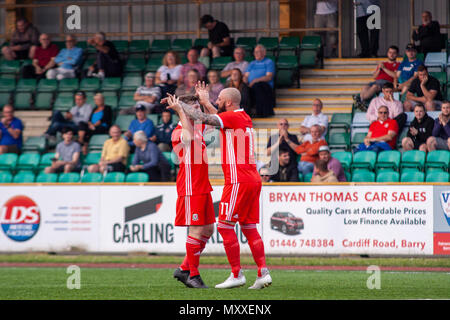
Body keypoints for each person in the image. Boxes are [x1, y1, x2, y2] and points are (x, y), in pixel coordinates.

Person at [177, 84, 272, 290]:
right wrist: (206, 102)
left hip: (238, 180)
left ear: (229, 102)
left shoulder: (231, 117)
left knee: (224, 226)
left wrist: (184, 106)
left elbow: (206, 118)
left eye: (219, 99)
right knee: (248, 227)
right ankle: (262, 272)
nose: (216, 102)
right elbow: (215, 117)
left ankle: (236, 274)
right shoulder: (242, 117)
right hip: (252, 178)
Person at [165, 94, 216, 289]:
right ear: (184, 111)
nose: (197, 110)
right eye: (193, 107)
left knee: (209, 229)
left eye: (197, 107)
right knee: (195, 229)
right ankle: (193, 275)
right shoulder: (179, 131)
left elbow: (219, 122)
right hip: (190, 186)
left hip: (202, 185)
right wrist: (180, 110)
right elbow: (186, 138)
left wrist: (205, 102)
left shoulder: (198, 128)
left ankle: (184, 268)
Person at [243, 45, 275, 118]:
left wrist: (254, 81)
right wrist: (246, 82)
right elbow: (245, 76)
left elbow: (269, 77)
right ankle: (247, 113)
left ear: (264, 53)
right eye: (256, 52)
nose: (257, 53)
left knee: (257, 86)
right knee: (243, 89)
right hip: (251, 85)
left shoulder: (269, 62)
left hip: (265, 86)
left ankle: (261, 112)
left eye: (259, 52)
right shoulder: (252, 63)